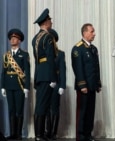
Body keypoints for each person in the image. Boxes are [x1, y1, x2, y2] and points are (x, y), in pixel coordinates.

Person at [71, 23, 102, 141]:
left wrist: (98, 83)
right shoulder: (78, 48)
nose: (94, 34)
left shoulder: (93, 49)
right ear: (84, 33)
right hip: (83, 87)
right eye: (92, 31)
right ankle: (81, 136)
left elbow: (96, 67)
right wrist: (82, 85)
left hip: (92, 85)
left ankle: (88, 134)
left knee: (90, 112)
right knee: (82, 112)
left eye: (94, 31)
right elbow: (78, 68)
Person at [32, 8, 57, 141]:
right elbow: (50, 58)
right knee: (42, 105)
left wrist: (37, 76)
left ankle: (40, 134)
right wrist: (53, 77)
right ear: (46, 22)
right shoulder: (48, 37)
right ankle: (39, 135)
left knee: (42, 104)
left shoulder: (35, 38)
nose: (51, 22)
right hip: (47, 74)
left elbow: (37, 59)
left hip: (40, 73)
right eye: (50, 20)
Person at [1, 28, 30, 140]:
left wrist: (27, 87)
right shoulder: (6, 56)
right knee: (11, 110)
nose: (12, 40)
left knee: (19, 110)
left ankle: (18, 134)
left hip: (19, 86)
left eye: (15, 38)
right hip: (8, 85)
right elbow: (3, 72)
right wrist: (2, 86)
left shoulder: (24, 55)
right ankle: (12, 133)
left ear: (19, 40)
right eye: (11, 38)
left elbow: (27, 71)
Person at [44, 29, 66, 140]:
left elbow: (62, 70)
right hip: (45, 83)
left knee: (55, 108)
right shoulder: (43, 53)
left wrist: (62, 85)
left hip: (56, 83)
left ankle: (53, 132)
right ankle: (47, 131)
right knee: (45, 108)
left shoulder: (60, 54)